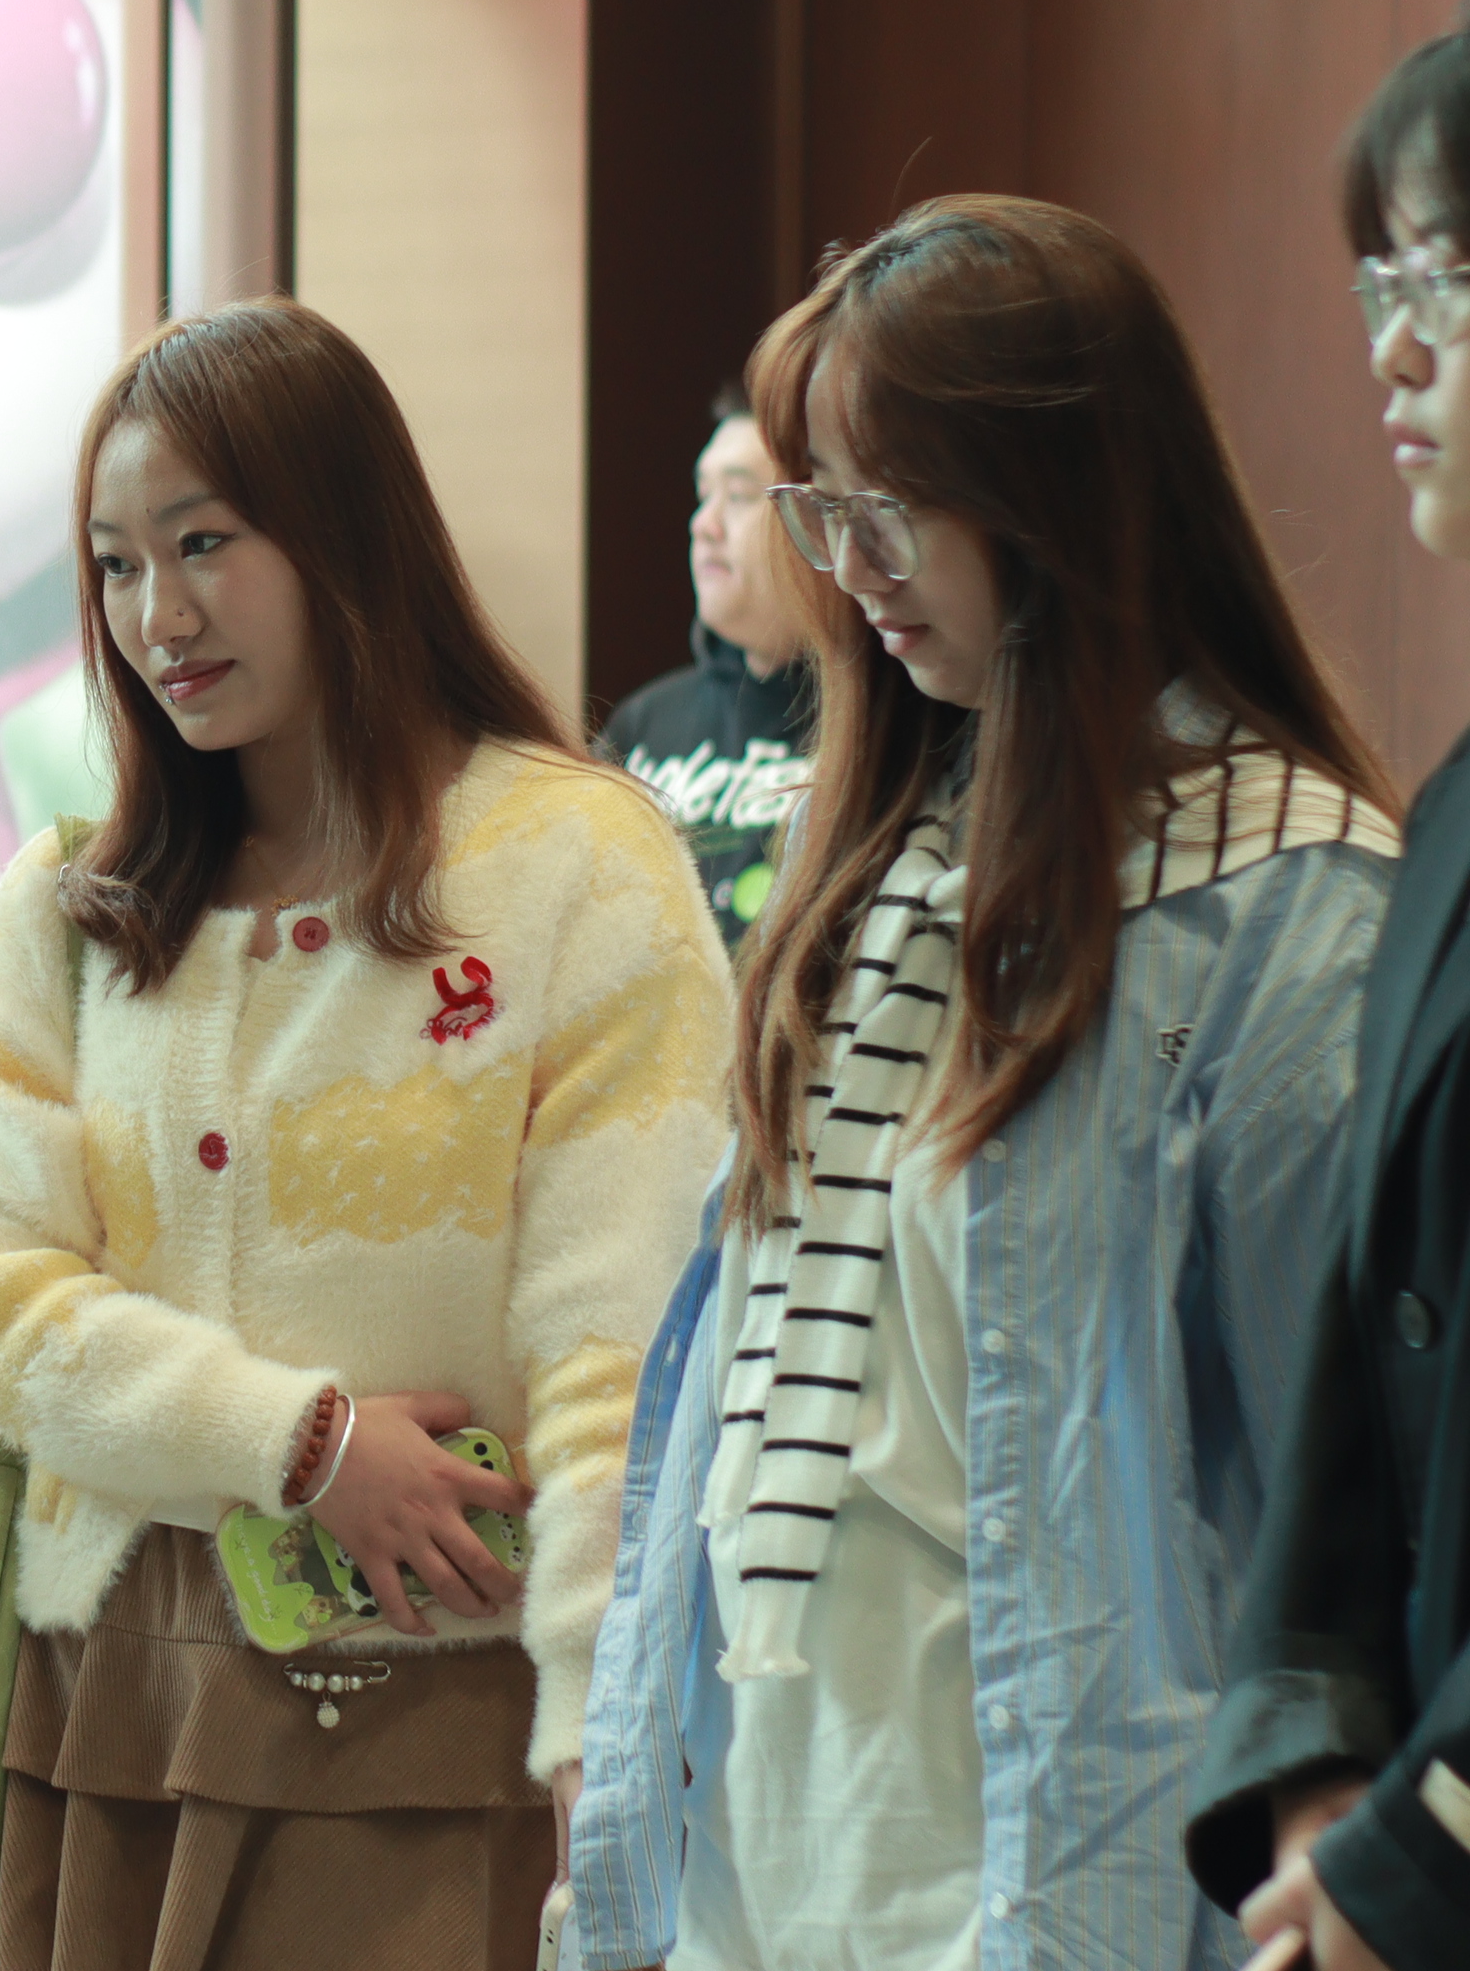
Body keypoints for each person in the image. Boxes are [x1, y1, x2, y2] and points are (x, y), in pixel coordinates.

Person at [563, 195, 1399, 1971]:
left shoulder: (1282, 898)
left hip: (1049, 1869)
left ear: (1058, 491)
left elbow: (1341, 1501)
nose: (848, 567)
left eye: (890, 509)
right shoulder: (860, 869)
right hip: (746, 1868)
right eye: (819, 511)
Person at [0, 299, 732, 1971]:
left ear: (345, 533)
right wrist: (299, 1443)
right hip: (122, 1699)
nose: (158, 614)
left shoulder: (575, 863)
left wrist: (598, 1704)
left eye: (202, 542)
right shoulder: (67, 911)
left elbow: (620, 1336)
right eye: (115, 565)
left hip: (457, 1712)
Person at [1186, 29, 1470, 1971]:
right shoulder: (1445, 815)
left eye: (1438, 276)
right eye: (1380, 278)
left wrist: (1414, 1846)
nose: (1387, 347)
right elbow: (1357, 1358)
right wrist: (1317, 1759)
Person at [597, 382, 817, 951]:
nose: (703, 524)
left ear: (820, 519)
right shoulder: (644, 721)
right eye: (703, 495)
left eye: (739, 496)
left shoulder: (880, 730)